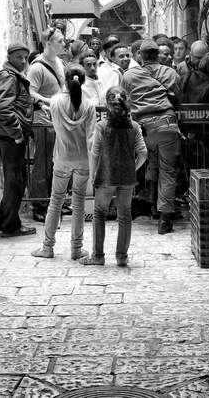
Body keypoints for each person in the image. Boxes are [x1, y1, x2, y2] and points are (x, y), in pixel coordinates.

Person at [31, 64, 96, 259]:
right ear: (83, 81)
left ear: (64, 81)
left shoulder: (56, 102)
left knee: (55, 201)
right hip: (83, 160)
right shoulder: (89, 105)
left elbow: (51, 112)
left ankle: (48, 247)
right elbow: (91, 138)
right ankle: (76, 249)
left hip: (62, 158)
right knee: (78, 204)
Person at [79, 86, 147, 266]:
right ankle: (122, 257)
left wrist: (93, 175)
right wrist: (133, 167)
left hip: (106, 176)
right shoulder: (134, 127)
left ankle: (98, 256)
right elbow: (143, 153)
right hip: (127, 178)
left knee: (100, 213)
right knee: (125, 215)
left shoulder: (102, 127)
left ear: (107, 105)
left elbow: (94, 153)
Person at [122, 38, 183, 234]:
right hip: (167, 125)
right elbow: (178, 99)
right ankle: (164, 218)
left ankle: (149, 198)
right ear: (157, 54)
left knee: (151, 161)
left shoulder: (129, 75)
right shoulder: (171, 72)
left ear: (140, 55)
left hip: (143, 129)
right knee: (168, 171)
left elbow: (124, 100)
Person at [0, 42, 37, 237]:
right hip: (9, 138)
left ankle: (1, 219)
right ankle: (10, 226)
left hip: (6, 135)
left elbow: (16, 103)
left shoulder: (11, 76)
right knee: (15, 181)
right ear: (9, 58)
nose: (24, 61)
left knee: (16, 179)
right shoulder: (9, 77)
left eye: (26, 58)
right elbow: (3, 108)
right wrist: (17, 135)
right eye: (19, 57)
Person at [28, 28, 66, 222]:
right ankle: (39, 206)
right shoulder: (37, 67)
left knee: (57, 163)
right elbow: (30, 92)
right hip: (43, 122)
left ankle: (55, 202)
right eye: (60, 41)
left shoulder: (58, 61)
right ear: (48, 43)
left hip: (58, 120)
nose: (64, 44)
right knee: (42, 165)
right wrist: (49, 102)